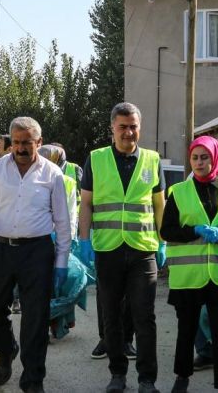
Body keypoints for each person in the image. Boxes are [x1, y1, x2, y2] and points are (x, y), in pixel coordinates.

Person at [0, 117, 71, 393]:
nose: (20, 148)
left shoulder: (52, 174)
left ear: (38, 142)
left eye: (26, 143)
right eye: (15, 142)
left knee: (35, 318)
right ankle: (6, 352)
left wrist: (61, 262)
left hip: (37, 252)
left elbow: (62, 222)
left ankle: (33, 380)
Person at [78, 102, 166, 393]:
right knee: (112, 316)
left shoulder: (152, 160)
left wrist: (162, 241)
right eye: (123, 127)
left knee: (145, 317)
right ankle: (117, 374)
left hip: (143, 251)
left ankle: (147, 379)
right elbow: (87, 203)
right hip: (108, 250)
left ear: (139, 128)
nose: (129, 132)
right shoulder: (97, 158)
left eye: (133, 126)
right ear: (112, 129)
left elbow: (158, 205)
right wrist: (84, 240)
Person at [162, 136, 218, 393]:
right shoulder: (178, 192)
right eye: (195, 158)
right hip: (188, 277)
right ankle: (182, 377)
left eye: (205, 157)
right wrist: (194, 230)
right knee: (186, 332)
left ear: (216, 159)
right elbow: (167, 230)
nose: (199, 163)